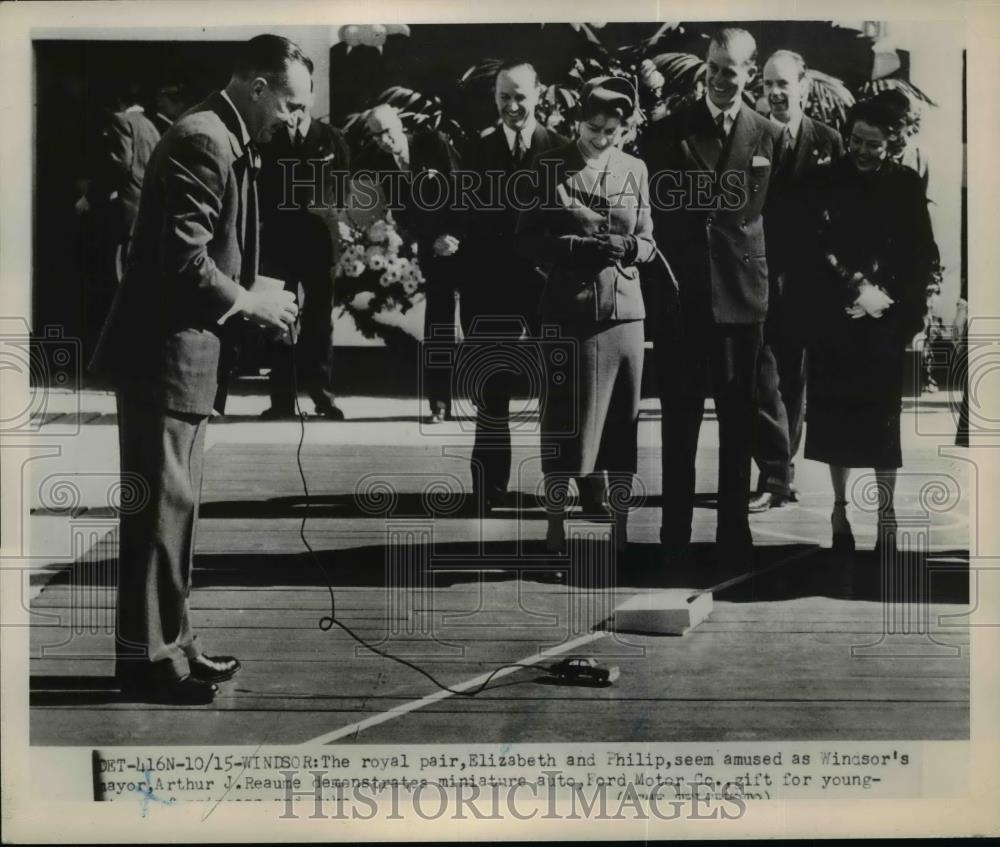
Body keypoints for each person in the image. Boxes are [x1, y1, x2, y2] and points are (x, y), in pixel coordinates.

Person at [89, 35, 309, 703]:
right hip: (165, 355)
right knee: (158, 512)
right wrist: (251, 303)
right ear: (256, 86)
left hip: (185, 354)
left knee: (175, 510)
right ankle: (150, 661)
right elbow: (183, 261)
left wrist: (253, 294)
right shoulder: (205, 141)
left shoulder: (221, 136)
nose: (295, 119)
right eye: (292, 104)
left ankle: (174, 642)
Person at [640, 28, 786, 567]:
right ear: (706, 66)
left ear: (752, 73)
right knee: (680, 422)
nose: (725, 79)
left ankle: (733, 533)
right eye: (717, 68)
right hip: (684, 296)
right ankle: (674, 531)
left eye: (736, 70)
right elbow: (653, 217)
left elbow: (780, 222)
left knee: (738, 423)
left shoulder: (769, 134)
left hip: (742, 300)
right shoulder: (667, 133)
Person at [516, 77, 658, 553]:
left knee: (622, 426)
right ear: (578, 120)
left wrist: (632, 246)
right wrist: (576, 245)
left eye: (612, 130)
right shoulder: (548, 166)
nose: (601, 137)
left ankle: (619, 535)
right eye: (594, 127)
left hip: (625, 318)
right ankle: (555, 532)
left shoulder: (634, 168)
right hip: (569, 313)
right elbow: (527, 239)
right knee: (563, 425)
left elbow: (651, 241)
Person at [800, 97, 937, 552]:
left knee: (882, 425)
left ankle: (886, 512)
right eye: (856, 140)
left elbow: (922, 254)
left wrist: (892, 304)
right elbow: (815, 245)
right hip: (836, 321)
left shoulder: (907, 184)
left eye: (873, 144)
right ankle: (840, 510)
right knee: (835, 421)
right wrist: (853, 292)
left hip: (885, 323)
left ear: (892, 142)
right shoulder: (824, 180)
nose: (861, 149)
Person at [459, 60, 566, 514]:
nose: (512, 105)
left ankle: (560, 483)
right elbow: (461, 212)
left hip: (547, 285)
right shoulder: (475, 149)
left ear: (539, 94)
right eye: (504, 96)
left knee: (560, 386)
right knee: (490, 390)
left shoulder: (561, 150)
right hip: (490, 286)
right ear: (494, 98)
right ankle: (487, 489)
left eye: (521, 96)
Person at [749, 49, 845, 513]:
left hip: (807, 285)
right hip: (757, 277)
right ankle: (774, 473)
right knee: (762, 379)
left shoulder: (829, 141)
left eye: (784, 83)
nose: (775, 92)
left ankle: (780, 472)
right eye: (768, 84)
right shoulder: (750, 137)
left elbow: (843, 217)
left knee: (796, 382)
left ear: (803, 85)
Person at [355, 104, 462, 423]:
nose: (384, 140)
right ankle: (439, 403)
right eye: (377, 136)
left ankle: (486, 402)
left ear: (400, 125)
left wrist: (453, 234)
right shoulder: (381, 163)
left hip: (467, 244)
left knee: (477, 319)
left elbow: (465, 189)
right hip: (434, 250)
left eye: (388, 131)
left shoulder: (433, 143)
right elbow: (402, 213)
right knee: (438, 326)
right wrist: (433, 241)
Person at [258, 58, 350, 419]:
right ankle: (280, 397)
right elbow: (260, 189)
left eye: (299, 105)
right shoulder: (270, 138)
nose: (294, 113)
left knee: (318, 319)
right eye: (289, 105)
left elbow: (344, 189)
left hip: (319, 243)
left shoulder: (331, 139)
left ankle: (321, 392)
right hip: (280, 242)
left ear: (310, 98)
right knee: (278, 317)